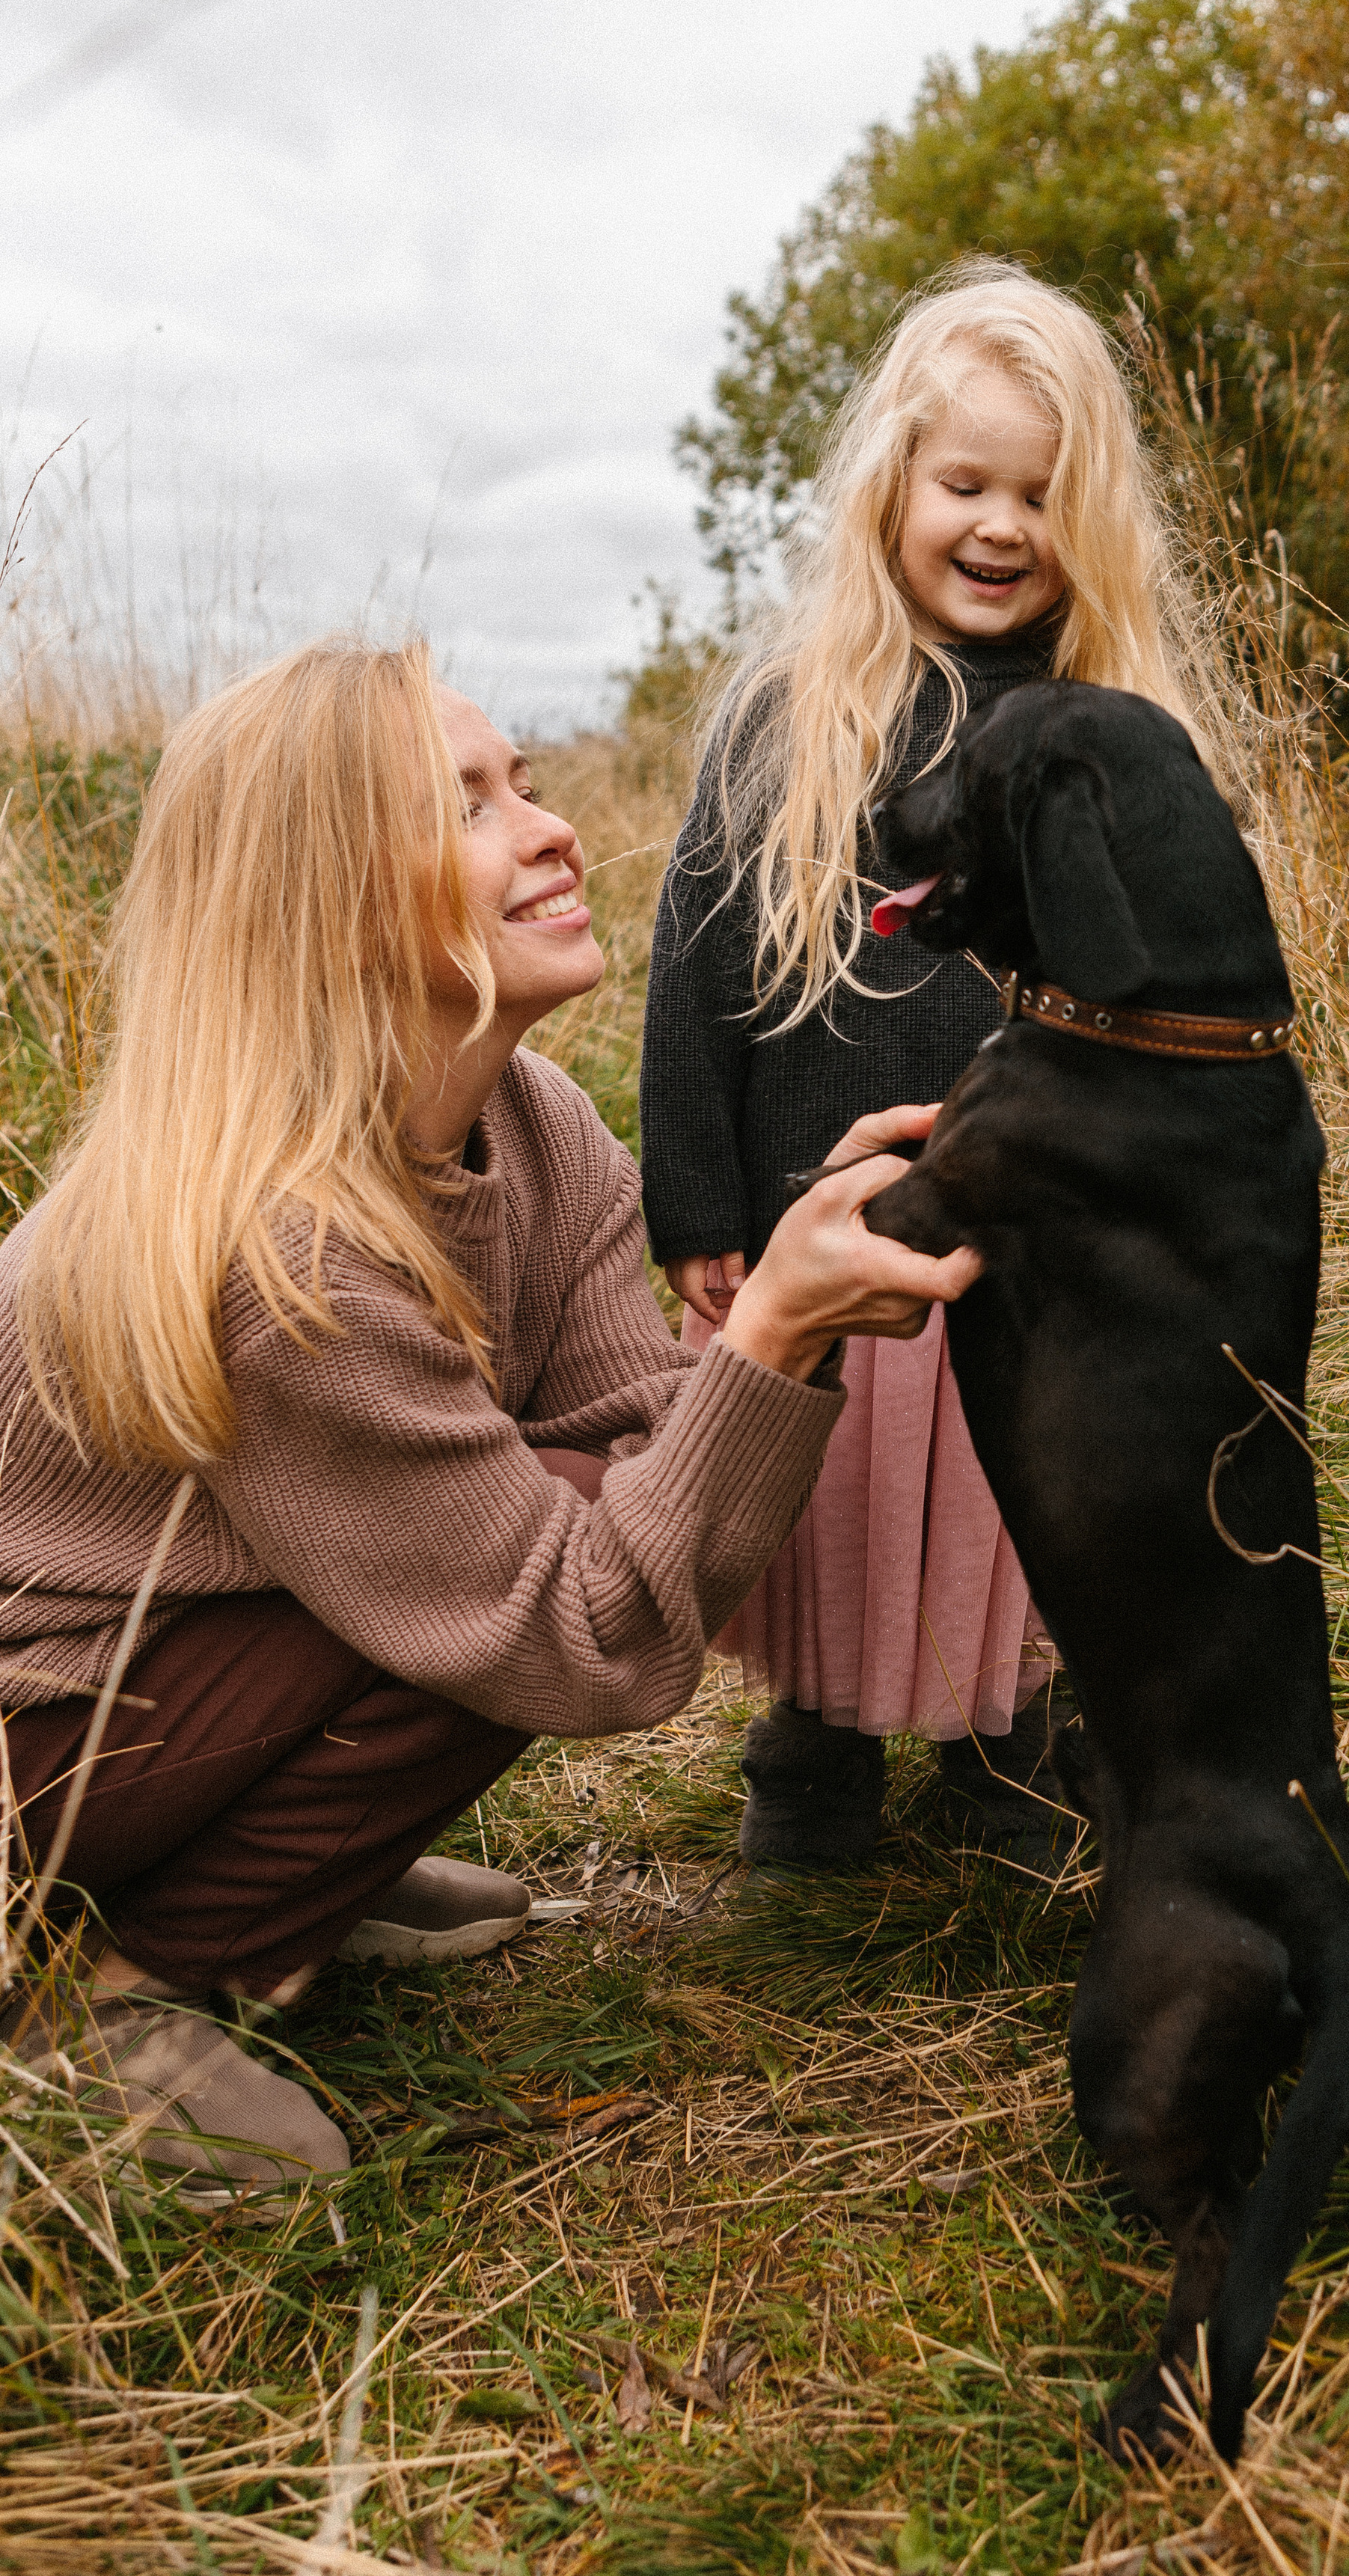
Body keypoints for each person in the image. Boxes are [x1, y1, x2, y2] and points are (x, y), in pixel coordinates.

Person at [0, 637, 976, 2212]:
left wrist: (759, 1332)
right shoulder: (283, 1252)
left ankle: (288, 1877)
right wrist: (778, 1332)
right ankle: (115, 1996)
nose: (551, 829)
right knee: (503, 1592)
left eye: (525, 783)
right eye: (469, 808)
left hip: (162, 1674)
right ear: (322, 903)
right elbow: (584, 1629)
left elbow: (646, 1434)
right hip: (27, 1745)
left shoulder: (535, 1123)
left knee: (521, 1540)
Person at [639, 259, 1232, 1872]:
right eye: (962, 483)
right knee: (825, 1504)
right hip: (821, 1214)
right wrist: (696, 1202)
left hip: (1041, 1228)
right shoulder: (792, 712)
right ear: (893, 483)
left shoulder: (1105, 731)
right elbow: (697, 971)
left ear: (1088, 516)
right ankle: (816, 1750)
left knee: (1011, 1495)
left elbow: (1180, 982)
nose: (997, 527)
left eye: (1039, 496)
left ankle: (1006, 1744)